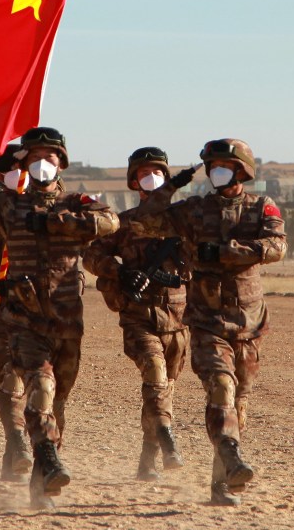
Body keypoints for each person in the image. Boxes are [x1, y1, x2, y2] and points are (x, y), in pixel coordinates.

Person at [0, 127, 120, 508]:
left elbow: (110, 222)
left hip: (67, 322)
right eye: (34, 156)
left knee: (57, 403)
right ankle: (45, 458)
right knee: (39, 389)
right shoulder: (8, 206)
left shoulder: (77, 202)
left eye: (51, 156)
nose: (44, 162)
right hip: (22, 319)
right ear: (23, 162)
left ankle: (43, 476)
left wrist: (60, 223)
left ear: (62, 163)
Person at [126, 138, 287, 505]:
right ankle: (231, 454)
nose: (217, 171)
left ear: (241, 170)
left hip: (248, 324)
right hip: (206, 321)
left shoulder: (262, 207)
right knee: (220, 389)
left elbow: (277, 247)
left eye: (224, 165)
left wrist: (227, 251)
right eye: (213, 165)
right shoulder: (194, 210)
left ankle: (222, 480)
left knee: (237, 405)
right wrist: (172, 185)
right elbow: (144, 221)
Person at [83, 147, 189, 481]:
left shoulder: (183, 221)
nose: (151, 178)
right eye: (144, 174)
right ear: (134, 182)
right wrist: (120, 273)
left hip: (177, 317)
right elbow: (92, 256)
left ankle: (147, 457)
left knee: (163, 387)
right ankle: (168, 440)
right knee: (155, 375)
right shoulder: (124, 224)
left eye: (156, 172)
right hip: (138, 316)